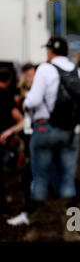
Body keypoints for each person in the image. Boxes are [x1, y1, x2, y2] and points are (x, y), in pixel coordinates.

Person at [22, 35, 80, 242]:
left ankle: (32, 231)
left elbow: (34, 100)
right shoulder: (75, 70)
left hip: (44, 129)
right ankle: (71, 231)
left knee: (39, 178)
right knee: (68, 179)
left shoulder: (45, 68)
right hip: (69, 131)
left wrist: (25, 102)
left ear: (50, 51)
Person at [0, 67, 24, 213]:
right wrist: (10, 131)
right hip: (2, 139)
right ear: (9, 80)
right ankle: (3, 206)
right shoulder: (5, 94)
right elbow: (20, 119)